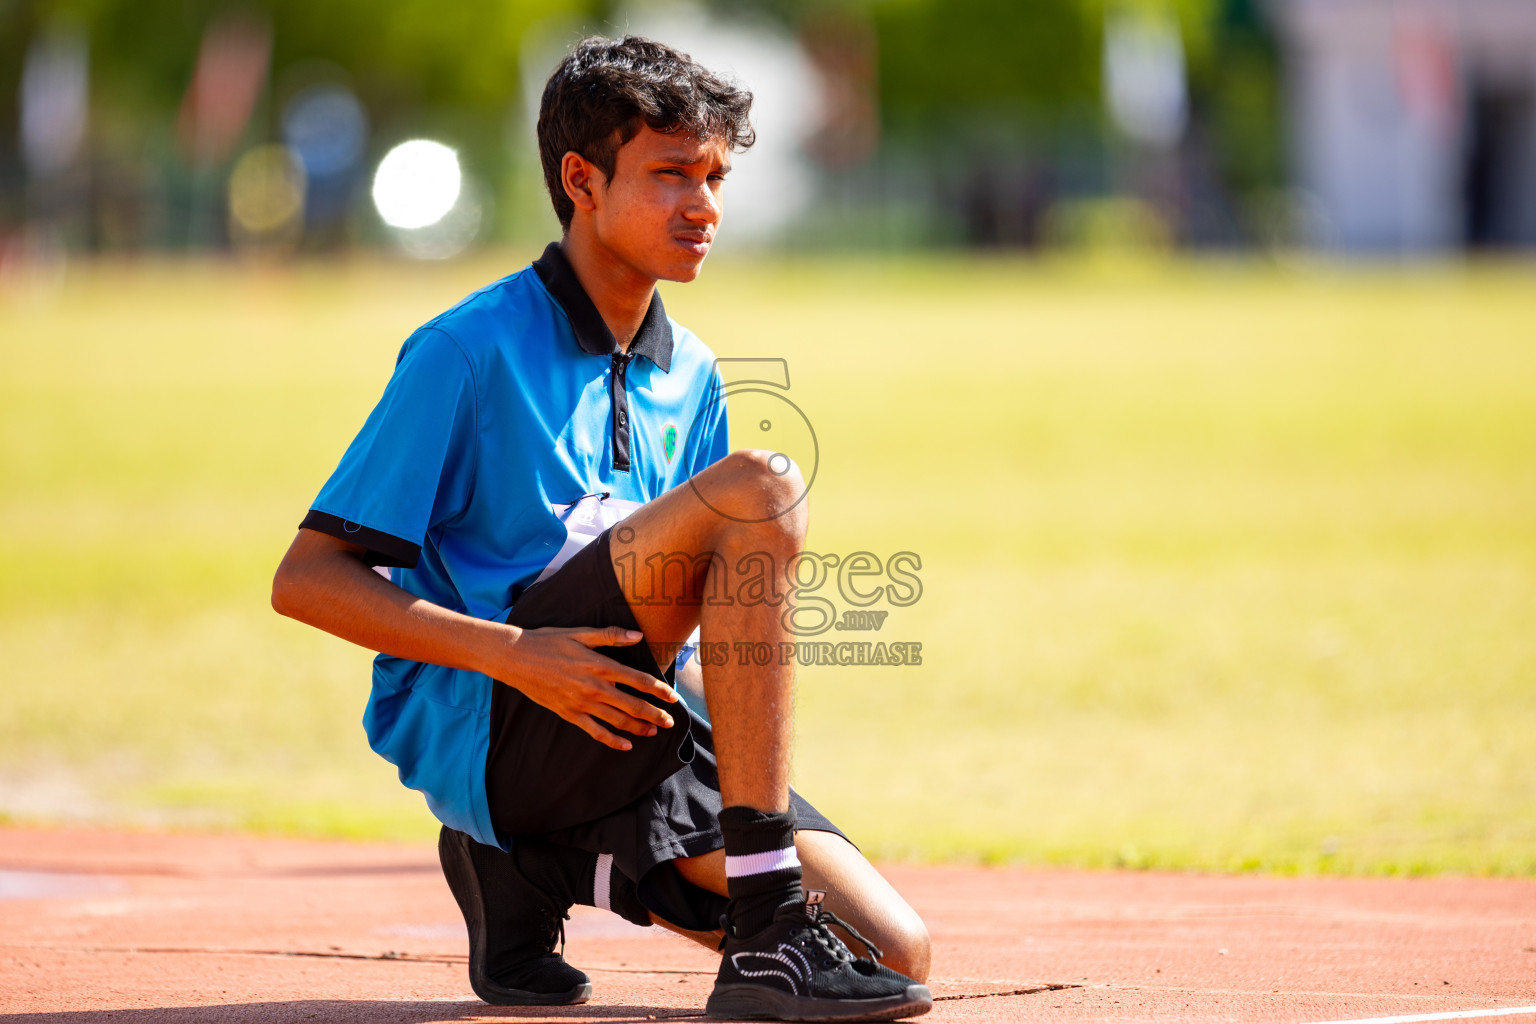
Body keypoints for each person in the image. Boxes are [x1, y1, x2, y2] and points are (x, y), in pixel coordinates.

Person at [271, 35, 931, 1022]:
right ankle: (758, 922)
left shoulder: (693, 372)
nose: (702, 205)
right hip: (498, 711)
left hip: (629, 707)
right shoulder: (466, 350)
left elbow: (691, 620)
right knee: (763, 484)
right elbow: (308, 578)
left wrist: (713, 744)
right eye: (670, 175)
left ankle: (531, 865)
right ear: (581, 179)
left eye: (713, 177)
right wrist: (520, 654)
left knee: (896, 949)